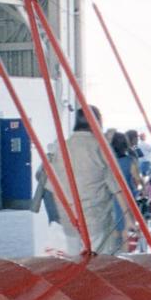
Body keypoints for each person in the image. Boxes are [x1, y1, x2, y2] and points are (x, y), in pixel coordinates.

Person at [40, 105, 130, 255]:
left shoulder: (62, 147)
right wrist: (129, 220)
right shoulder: (100, 148)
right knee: (96, 268)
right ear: (97, 122)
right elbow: (118, 187)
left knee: (74, 266)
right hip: (96, 220)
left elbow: (53, 187)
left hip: (69, 221)